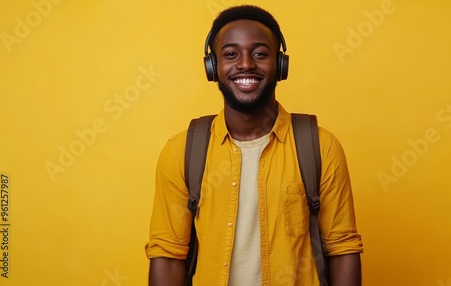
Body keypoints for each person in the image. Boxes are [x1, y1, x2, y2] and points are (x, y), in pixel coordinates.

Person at [146, 5, 363, 285]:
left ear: (280, 65)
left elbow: (343, 247)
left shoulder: (320, 146)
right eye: (231, 54)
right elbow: (167, 254)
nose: (246, 64)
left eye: (260, 53)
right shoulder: (182, 151)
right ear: (213, 66)